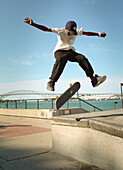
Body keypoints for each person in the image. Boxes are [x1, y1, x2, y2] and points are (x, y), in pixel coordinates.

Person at [24, 17, 106, 91]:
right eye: (69, 32)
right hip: (59, 51)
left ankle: (93, 80)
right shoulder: (60, 31)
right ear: (65, 29)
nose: (71, 34)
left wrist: (98, 34)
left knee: (82, 58)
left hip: (69, 51)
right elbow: (45, 29)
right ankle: (51, 82)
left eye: (72, 33)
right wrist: (33, 24)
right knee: (62, 58)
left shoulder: (76, 32)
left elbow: (87, 33)